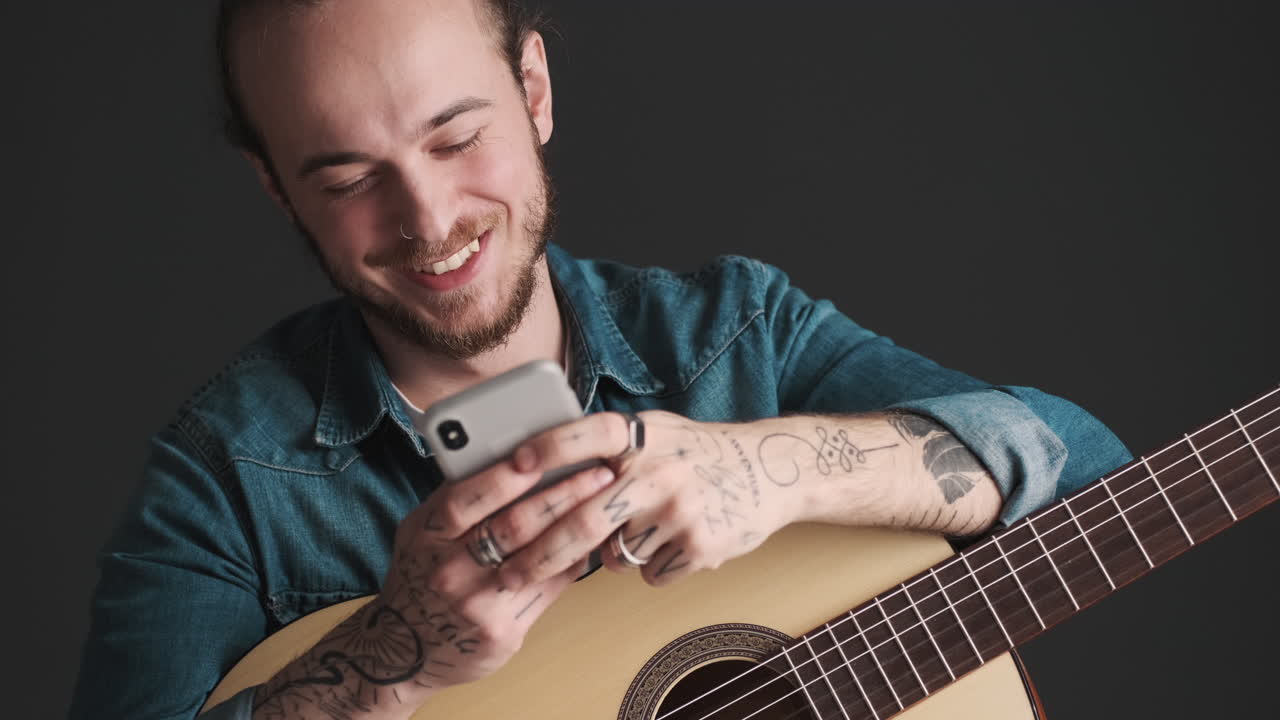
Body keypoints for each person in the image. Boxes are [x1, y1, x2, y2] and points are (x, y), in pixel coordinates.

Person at [70, 0, 1131, 718]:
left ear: (533, 89)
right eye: (349, 177)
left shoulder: (735, 334)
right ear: (277, 190)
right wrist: (386, 662)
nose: (429, 219)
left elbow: (1087, 472)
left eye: (453, 137)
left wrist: (773, 467)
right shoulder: (223, 480)